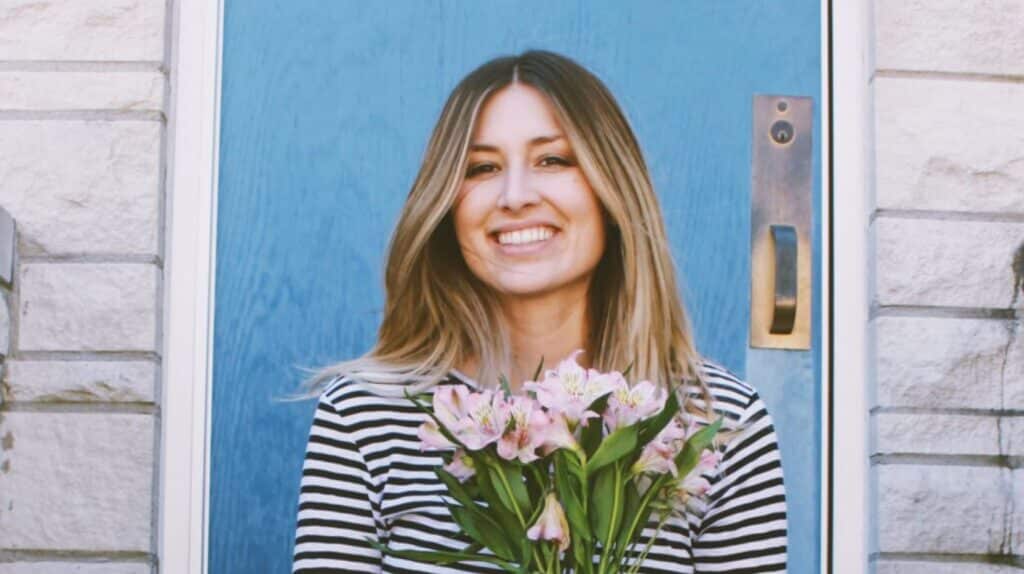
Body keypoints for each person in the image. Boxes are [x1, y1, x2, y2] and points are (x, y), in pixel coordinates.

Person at [291, 49, 787, 573]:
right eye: (482, 168)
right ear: (446, 206)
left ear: (610, 189)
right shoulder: (365, 413)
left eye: (553, 160)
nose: (516, 196)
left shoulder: (717, 420)